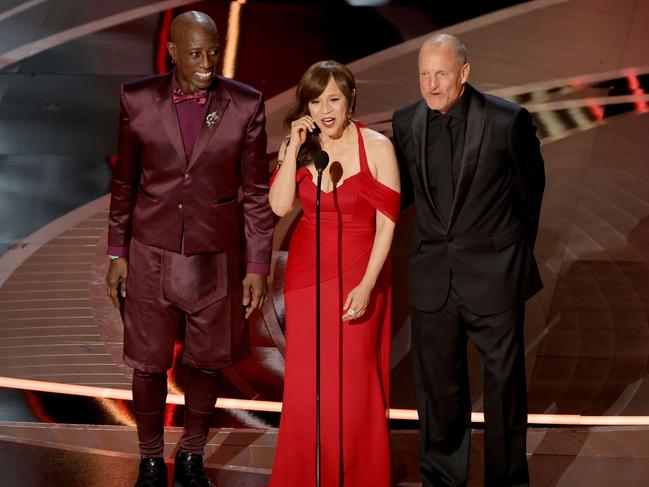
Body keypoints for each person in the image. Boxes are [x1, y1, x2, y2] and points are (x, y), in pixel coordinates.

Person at [105, 11, 273, 487]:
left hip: (215, 255)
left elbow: (257, 193)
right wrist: (117, 252)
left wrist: (258, 264)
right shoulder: (136, 99)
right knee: (148, 360)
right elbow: (124, 182)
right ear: (173, 51)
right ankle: (152, 460)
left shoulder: (245, 104)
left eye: (213, 51)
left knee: (206, 360)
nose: (207, 63)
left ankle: (193, 456)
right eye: (195, 53)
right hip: (149, 252)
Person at [392, 34, 545, 487]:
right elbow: (399, 195)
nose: (431, 84)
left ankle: (507, 480)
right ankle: (442, 478)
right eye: (424, 73)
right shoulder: (406, 121)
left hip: (494, 280)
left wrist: (509, 255)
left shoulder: (507, 120)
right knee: (438, 390)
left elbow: (530, 193)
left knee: (504, 392)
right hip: (433, 279)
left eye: (441, 73)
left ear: (464, 72)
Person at [267, 60, 400, 487]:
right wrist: (290, 148)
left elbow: (388, 223)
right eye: (316, 100)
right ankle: (304, 475)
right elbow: (280, 205)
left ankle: (360, 474)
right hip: (307, 279)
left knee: (355, 379)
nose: (326, 109)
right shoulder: (305, 150)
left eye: (334, 99)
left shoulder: (377, 146)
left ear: (351, 100)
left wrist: (367, 285)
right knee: (306, 383)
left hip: (360, 274)